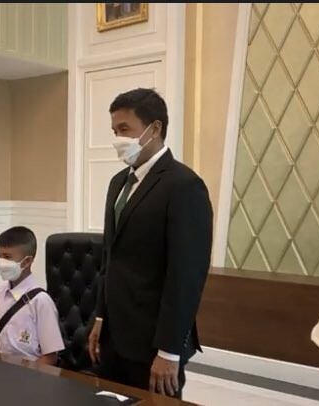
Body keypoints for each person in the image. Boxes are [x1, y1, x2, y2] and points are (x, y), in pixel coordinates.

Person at [87, 88, 213, 399]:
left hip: (153, 341)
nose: (118, 139)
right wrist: (100, 317)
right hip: (113, 335)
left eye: (125, 129)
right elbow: (109, 258)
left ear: (154, 129)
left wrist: (169, 350)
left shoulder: (184, 185)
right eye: (115, 131)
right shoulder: (118, 182)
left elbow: (186, 277)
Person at [0, 226, 64, 365]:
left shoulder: (41, 301)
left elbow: (50, 357)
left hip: (31, 371)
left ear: (27, 261)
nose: (1, 263)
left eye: (7, 257)